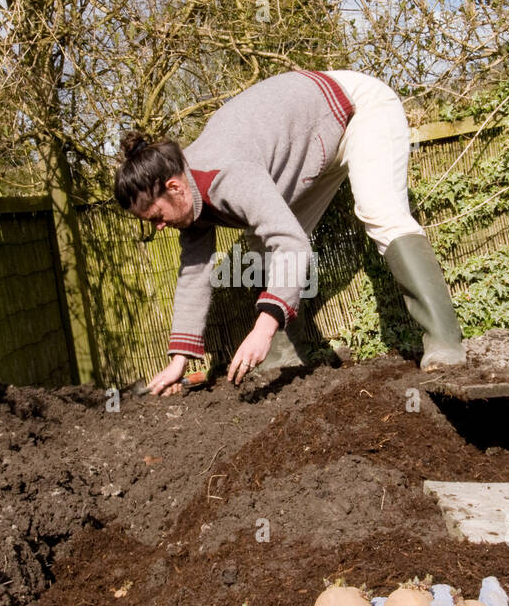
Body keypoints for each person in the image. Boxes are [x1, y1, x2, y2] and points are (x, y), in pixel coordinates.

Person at [114, 67, 465, 394]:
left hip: (357, 110)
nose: (158, 226)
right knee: (258, 244)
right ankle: (283, 357)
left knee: (379, 212)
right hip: (317, 144)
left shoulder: (227, 177)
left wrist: (261, 329)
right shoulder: (189, 194)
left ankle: (445, 342)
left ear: (173, 187)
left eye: (155, 216)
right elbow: (194, 273)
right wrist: (180, 360)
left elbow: (292, 245)